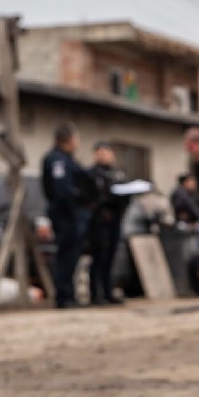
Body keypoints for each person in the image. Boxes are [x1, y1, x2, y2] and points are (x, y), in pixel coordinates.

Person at [42, 122, 93, 309]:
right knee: (65, 256)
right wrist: (73, 211)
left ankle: (69, 294)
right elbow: (62, 191)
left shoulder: (68, 160)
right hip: (66, 216)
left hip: (71, 215)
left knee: (72, 257)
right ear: (69, 140)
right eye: (76, 139)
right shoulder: (58, 160)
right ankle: (63, 296)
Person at [86, 142, 128, 305]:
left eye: (107, 152)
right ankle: (96, 293)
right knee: (98, 257)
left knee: (111, 256)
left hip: (115, 219)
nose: (104, 155)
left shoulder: (117, 174)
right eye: (100, 152)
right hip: (98, 221)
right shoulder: (91, 174)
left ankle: (108, 290)